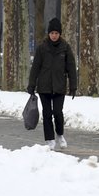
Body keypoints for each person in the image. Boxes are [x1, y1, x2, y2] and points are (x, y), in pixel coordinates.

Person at [26, 17, 77, 150]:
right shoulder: (42, 48)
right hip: (44, 87)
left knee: (58, 113)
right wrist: (31, 84)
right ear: (49, 34)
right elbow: (35, 67)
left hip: (59, 86)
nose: (54, 36)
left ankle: (60, 134)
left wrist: (73, 86)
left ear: (60, 34)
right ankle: (49, 139)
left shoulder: (65, 48)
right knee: (47, 113)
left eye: (56, 33)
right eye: (52, 33)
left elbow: (71, 67)